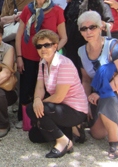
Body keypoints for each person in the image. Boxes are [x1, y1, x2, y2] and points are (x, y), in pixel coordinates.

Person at [77, 11, 118, 159]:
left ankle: (115, 142)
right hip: (98, 92)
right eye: (84, 28)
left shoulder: (112, 45)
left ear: (101, 27)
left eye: (92, 27)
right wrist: (85, 102)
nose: (88, 31)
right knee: (97, 134)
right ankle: (113, 119)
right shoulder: (81, 51)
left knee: (108, 101)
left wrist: (101, 93)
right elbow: (86, 80)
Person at [15, 0, 67, 131]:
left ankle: (43, 120)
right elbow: (19, 35)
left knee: (46, 90)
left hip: (47, 60)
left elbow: (63, 37)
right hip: (28, 57)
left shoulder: (57, 11)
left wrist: (53, 51)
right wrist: (19, 57)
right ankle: (24, 120)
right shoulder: (27, 10)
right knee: (26, 89)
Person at [26, 29, 87, 158]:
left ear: (55, 46)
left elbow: (59, 97)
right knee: (34, 136)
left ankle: (63, 142)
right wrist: (37, 99)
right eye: (39, 46)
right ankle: (72, 130)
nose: (43, 49)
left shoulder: (63, 64)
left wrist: (38, 104)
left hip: (75, 110)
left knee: (34, 109)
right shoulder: (43, 63)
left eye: (46, 45)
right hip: (60, 108)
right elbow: (40, 87)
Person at [64, 0, 114, 77]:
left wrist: (99, 23)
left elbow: (110, 23)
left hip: (91, 47)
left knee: (89, 77)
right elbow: (65, 19)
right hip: (72, 45)